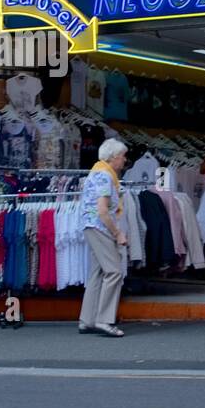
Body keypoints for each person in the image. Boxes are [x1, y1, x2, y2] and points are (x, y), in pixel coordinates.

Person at [78, 138, 129, 338]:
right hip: (99, 227)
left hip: (91, 226)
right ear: (114, 157)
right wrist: (118, 233)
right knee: (114, 271)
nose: (124, 160)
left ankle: (87, 319)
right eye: (123, 156)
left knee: (97, 272)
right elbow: (103, 210)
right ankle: (104, 320)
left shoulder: (97, 172)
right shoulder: (105, 176)